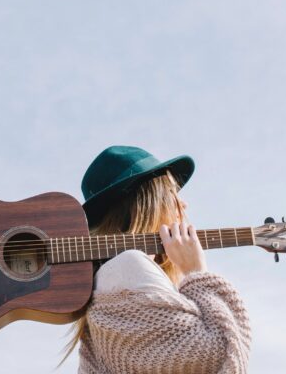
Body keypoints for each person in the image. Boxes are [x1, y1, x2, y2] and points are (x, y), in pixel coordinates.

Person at [59, 145, 251, 373]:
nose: (183, 204)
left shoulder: (116, 278)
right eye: (172, 193)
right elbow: (216, 354)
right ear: (149, 201)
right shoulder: (127, 267)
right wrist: (197, 272)